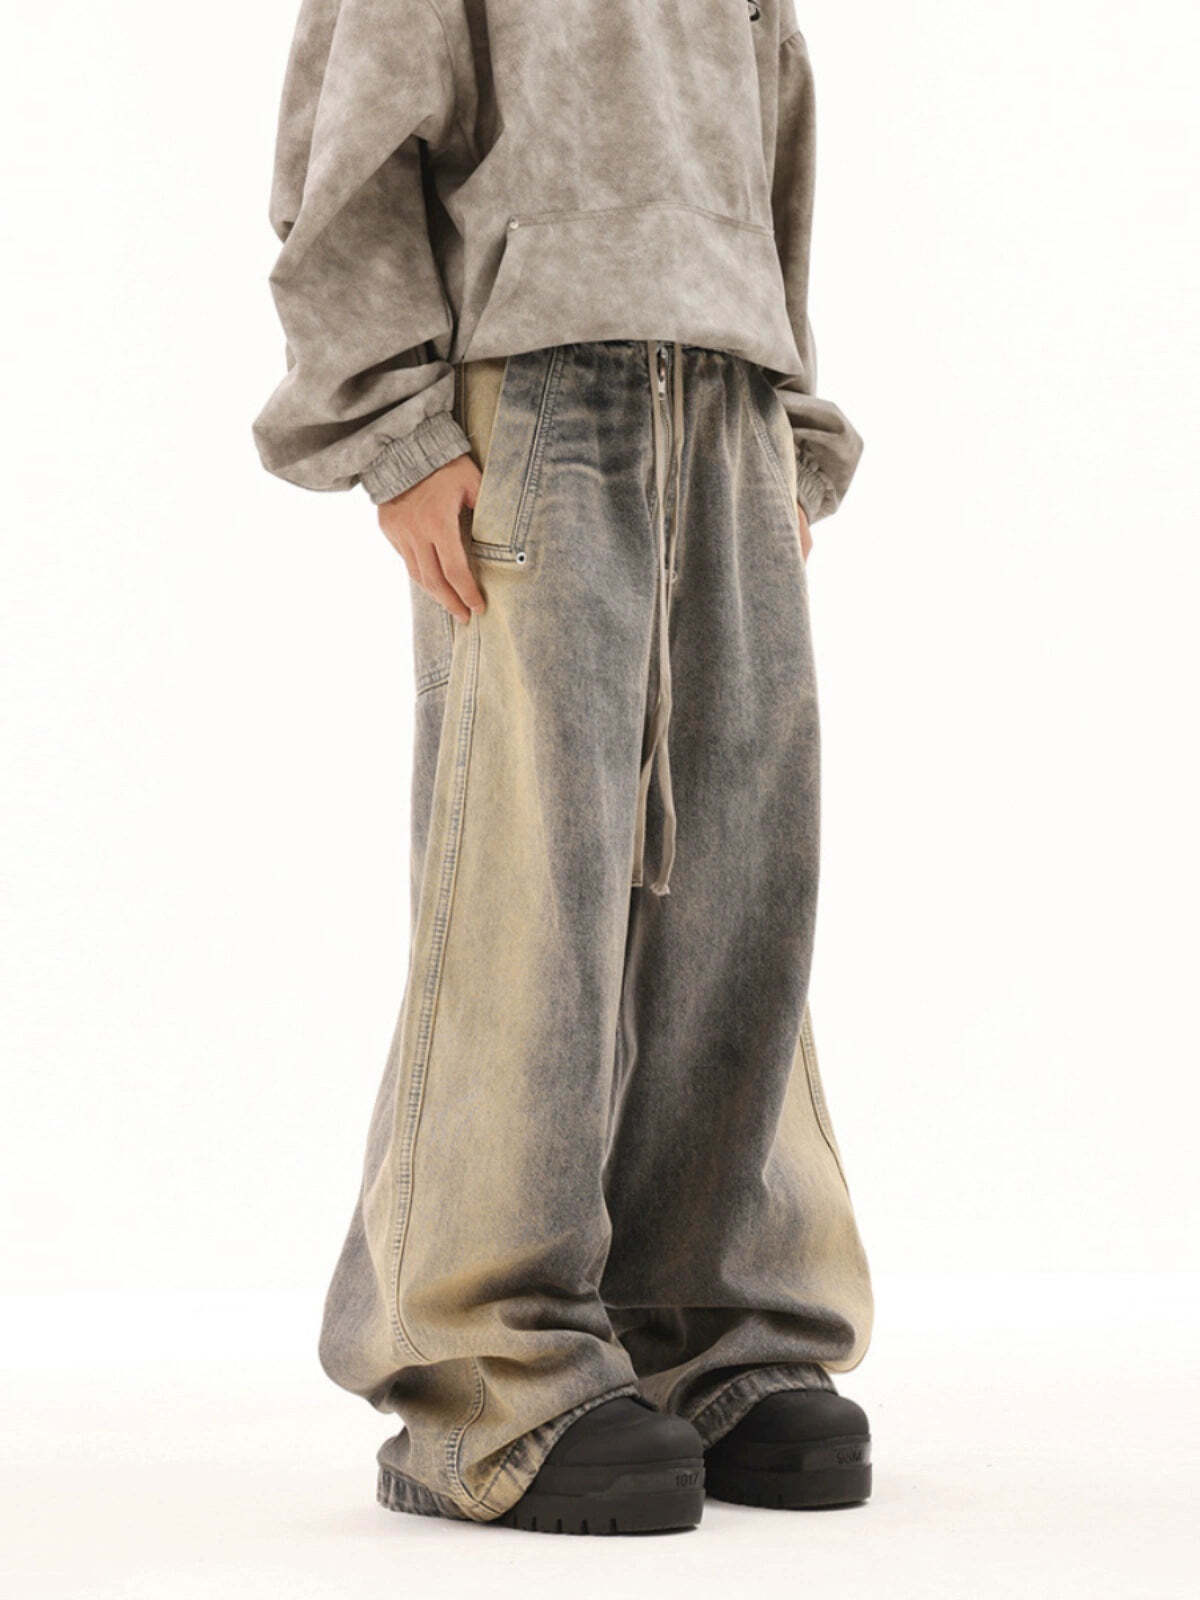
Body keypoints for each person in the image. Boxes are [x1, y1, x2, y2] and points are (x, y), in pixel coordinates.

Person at [253, 0, 874, 1536]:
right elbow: (348, 139)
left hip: (727, 396)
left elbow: (777, 143)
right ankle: (485, 1375)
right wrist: (396, 423)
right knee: (530, 888)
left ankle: (710, 1330)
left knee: (739, 881)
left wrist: (788, 418)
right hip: (530, 399)